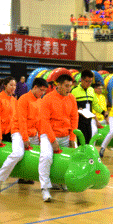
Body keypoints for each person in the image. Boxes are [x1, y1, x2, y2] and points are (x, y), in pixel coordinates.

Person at [0, 77, 48, 192]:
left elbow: (39, 122)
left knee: (45, 153)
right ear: (35, 87)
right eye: (41, 90)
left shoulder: (40, 101)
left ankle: (53, 182)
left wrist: (41, 137)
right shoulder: (23, 99)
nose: (42, 93)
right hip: (18, 131)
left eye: (44, 91)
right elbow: (22, 121)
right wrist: (25, 138)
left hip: (33, 133)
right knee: (18, 154)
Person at [38, 74, 78, 202]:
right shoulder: (47, 99)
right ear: (58, 85)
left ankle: (61, 181)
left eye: (70, 86)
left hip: (65, 134)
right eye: (66, 86)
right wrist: (53, 140)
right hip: (48, 134)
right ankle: (45, 188)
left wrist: (72, 138)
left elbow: (74, 118)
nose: (69, 89)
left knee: (72, 158)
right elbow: (44, 121)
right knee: (46, 157)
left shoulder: (71, 98)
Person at [71, 70, 97, 144]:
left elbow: (95, 104)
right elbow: (71, 106)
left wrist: (103, 112)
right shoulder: (74, 91)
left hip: (89, 120)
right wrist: (77, 109)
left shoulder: (91, 90)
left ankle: (87, 155)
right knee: (81, 142)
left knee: (88, 140)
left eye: (90, 81)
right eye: (87, 81)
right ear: (81, 80)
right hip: (79, 121)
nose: (89, 83)